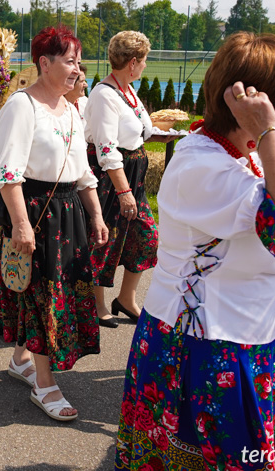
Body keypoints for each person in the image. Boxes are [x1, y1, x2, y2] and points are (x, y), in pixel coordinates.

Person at [115, 32, 275, 467]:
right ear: (250, 105)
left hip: (243, 332)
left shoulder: (244, 154)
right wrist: (267, 129)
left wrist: (269, 129)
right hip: (202, 345)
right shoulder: (202, 164)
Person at [0, 25, 107, 421]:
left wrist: (95, 213)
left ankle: (21, 359)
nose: (78, 69)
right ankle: (45, 384)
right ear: (45, 64)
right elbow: (8, 173)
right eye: (70, 61)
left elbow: (83, 172)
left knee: (51, 290)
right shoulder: (21, 106)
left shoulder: (71, 108)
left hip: (69, 213)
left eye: (79, 61)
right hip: (36, 212)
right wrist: (21, 224)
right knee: (44, 294)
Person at [84, 31, 172, 328]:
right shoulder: (104, 94)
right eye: (144, 60)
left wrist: (161, 129)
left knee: (147, 239)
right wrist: (123, 191)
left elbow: (137, 132)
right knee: (104, 240)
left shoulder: (127, 90)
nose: (146, 66)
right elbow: (106, 149)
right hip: (111, 179)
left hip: (132, 177)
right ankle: (97, 305)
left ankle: (126, 298)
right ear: (133, 62)